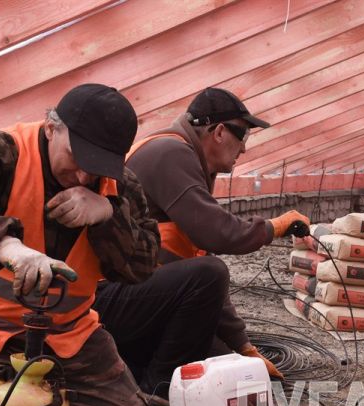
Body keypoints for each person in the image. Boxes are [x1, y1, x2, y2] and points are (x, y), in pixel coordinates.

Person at [0, 83, 226, 406]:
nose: (85, 175)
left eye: (98, 165)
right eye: (77, 157)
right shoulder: (3, 149)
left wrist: (107, 216)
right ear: (53, 127)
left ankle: (51, 403)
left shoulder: (118, 185)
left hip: (69, 333)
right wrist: (8, 247)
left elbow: (141, 266)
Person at [115, 87, 310, 378]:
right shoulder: (170, 153)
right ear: (218, 132)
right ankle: (159, 383)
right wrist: (274, 227)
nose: (243, 148)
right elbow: (218, 234)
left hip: (131, 296)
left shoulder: (186, 160)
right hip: (109, 299)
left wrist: (243, 346)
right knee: (211, 274)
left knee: (219, 355)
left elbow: (196, 258)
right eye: (242, 135)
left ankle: (144, 364)